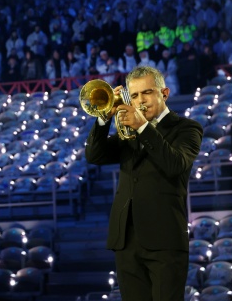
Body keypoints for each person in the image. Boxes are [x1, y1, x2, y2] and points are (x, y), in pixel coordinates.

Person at [84, 66, 203, 301]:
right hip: (126, 239)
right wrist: (103, 120)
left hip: (165, 238)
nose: (140, 101)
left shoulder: (187, 129)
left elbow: (175, 164)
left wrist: (142, 127)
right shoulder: (127, 132)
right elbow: (94, 156)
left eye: (146, 93)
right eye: (134, 95)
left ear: (164, 93)